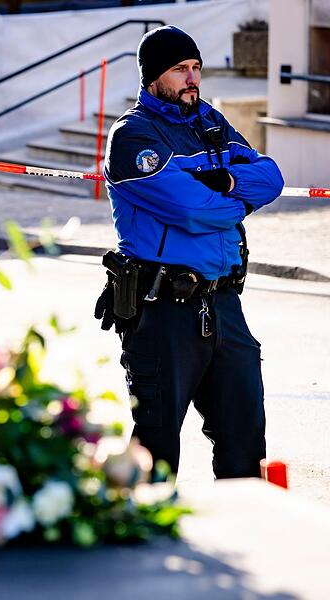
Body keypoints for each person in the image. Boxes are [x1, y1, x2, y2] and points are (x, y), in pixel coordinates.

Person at [94, 26, 284, 479]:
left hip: (224, 304)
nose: (192, 78)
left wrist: (229, 181)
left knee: (246, 445)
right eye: (179, 69)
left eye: (196, 67)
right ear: (152, 77)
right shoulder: (132, 136)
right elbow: (192, 210)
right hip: (163, 311)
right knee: (156, 451)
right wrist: (239, 203)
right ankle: (143, 525)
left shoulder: (209, 122)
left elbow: (271, 177)